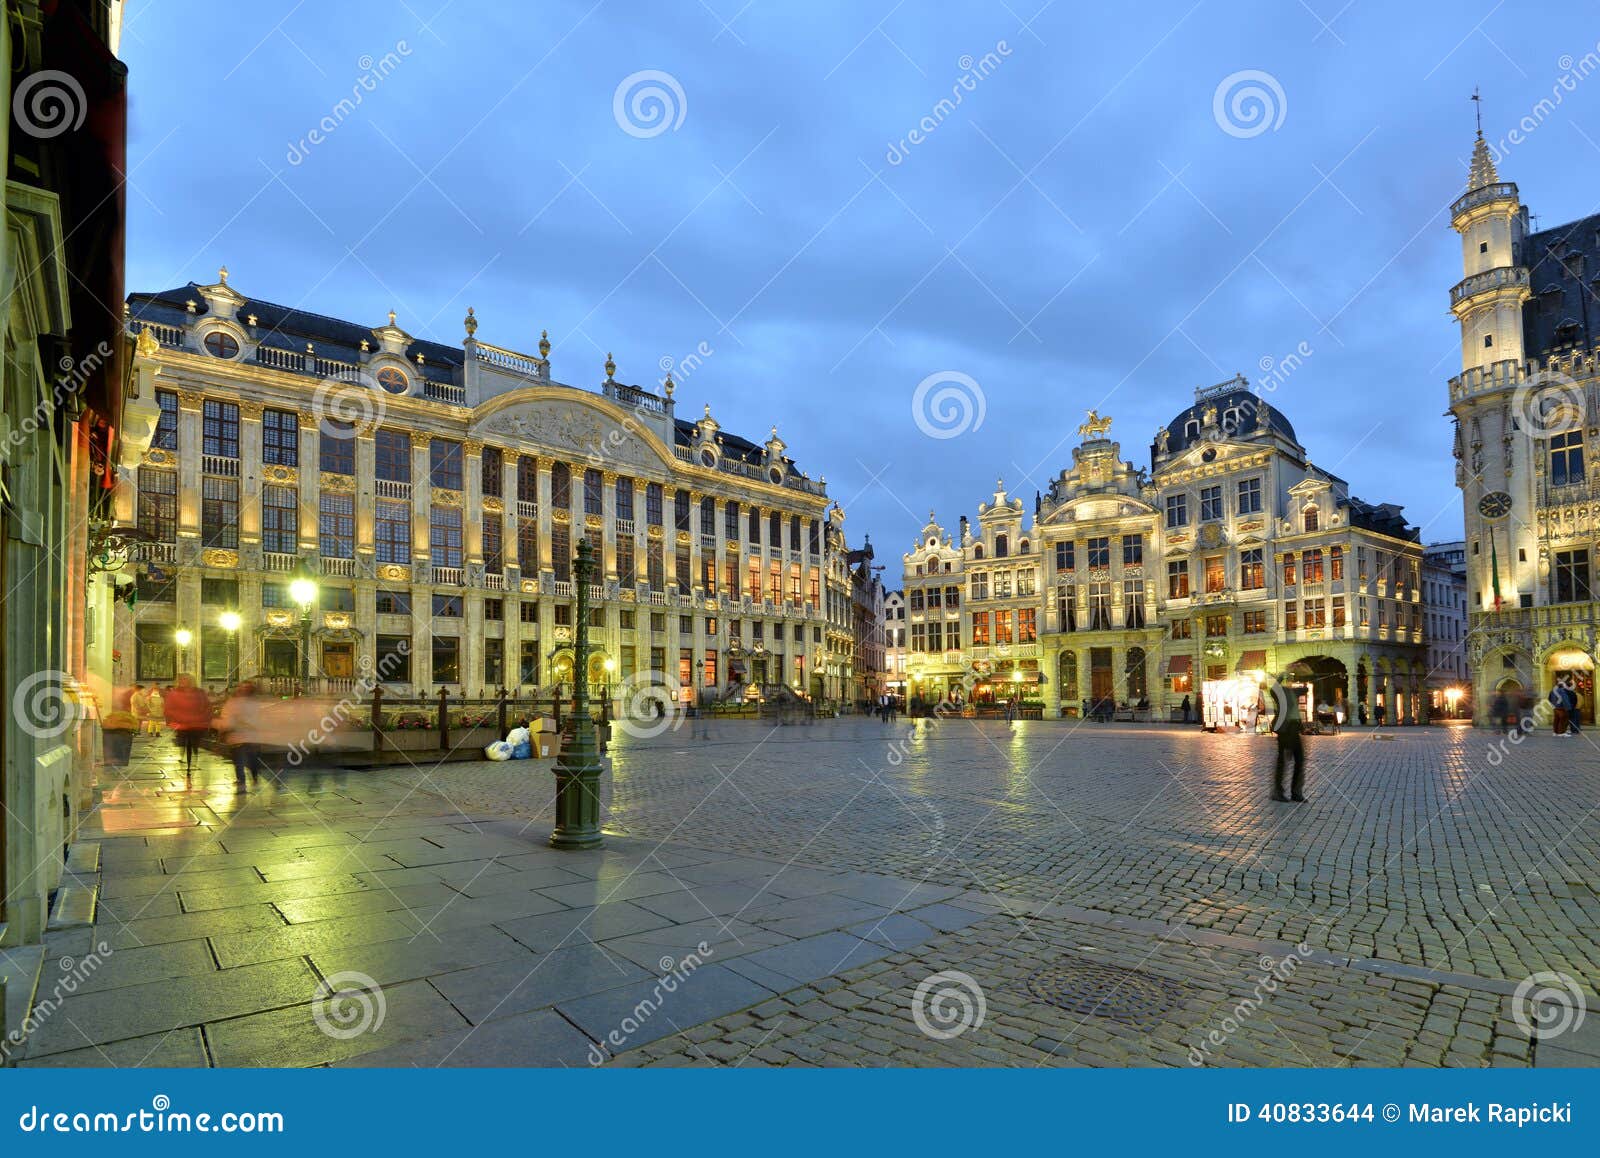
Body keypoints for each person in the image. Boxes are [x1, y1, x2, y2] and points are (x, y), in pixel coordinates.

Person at [163, 674, 213, 777]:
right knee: (183, 743)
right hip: (182, 724)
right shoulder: (174, 693)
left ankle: (191, 763)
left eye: (186, 680)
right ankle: (185, 758)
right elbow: (168, 708)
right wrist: (173, 719)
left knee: (194, 745)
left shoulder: (200, 693)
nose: (183, 682)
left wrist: (204, 719)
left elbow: (207, 707)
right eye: (181, 680)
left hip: (197, 724)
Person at [218, 681, 265, 786]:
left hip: (249, 736)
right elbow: (227, 717)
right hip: (238, 736)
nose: (243, 690)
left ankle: (252, 775)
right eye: (241, 688)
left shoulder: (253, 703)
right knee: (239, 759)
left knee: (249, 758)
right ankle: (243, 779)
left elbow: (258, 718)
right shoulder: (234, 702)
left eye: (245, 688)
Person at [1271, 679, 1306, 803]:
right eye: (1288, 679)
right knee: (1283, 761)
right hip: (1285, 729)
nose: (1290, 681)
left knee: (1299, 760)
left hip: (1295, 728)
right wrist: (1280, 676)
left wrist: (1304, 674)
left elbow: (1305, 689)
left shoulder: (1293, 692)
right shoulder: (1280, 692)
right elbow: (1273, 688)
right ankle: (1277, 792)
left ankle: (1296, 792)